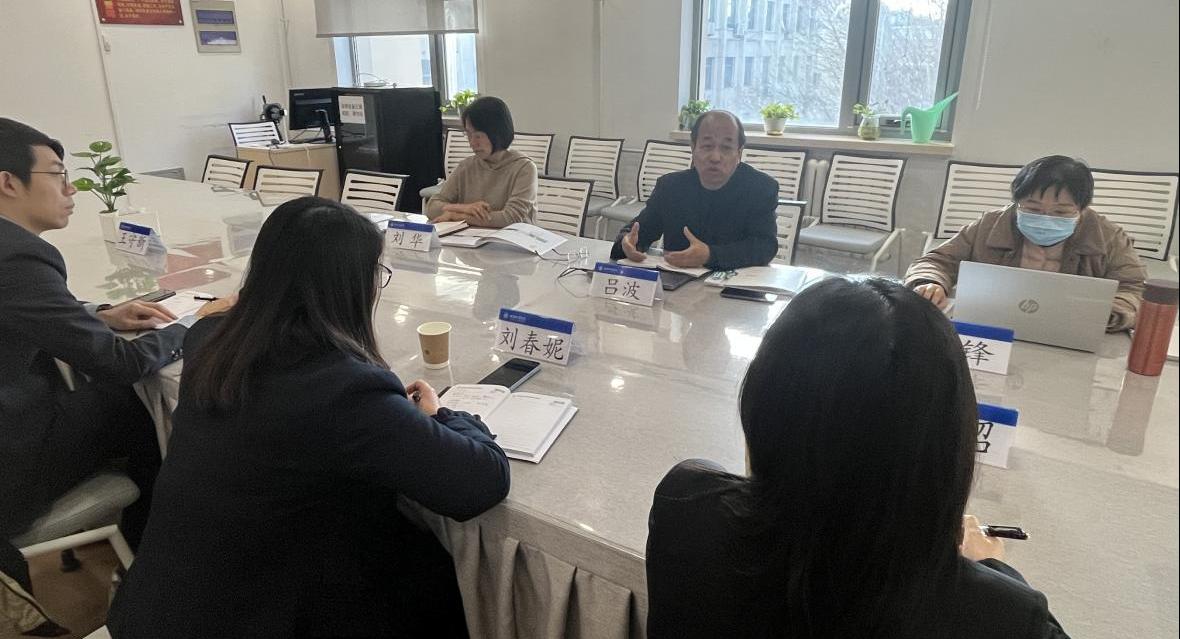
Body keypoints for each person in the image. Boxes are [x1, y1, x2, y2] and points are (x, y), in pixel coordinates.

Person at [107, 197, 511, 638]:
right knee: (435, 577)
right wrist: (442, 415)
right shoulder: (345, 390)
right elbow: (480, 482)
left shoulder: (210, 339)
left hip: (157, 610)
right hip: (263, 617)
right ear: (352, 285)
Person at [646, 278, 1069, 638]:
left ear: (764, 407)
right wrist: (988, 567)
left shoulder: (684, 505)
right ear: (949, 436)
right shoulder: (1007, 618)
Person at [0, 118, 223, 597]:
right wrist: (194, 323)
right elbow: (120, 364)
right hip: (9, 464)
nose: (71, 189)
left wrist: (99, 314)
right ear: (8, 183)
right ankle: (155, 560)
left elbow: (20, 314)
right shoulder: (17, 257)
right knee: (140, 401)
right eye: (57, 174)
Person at [906, 155, 1146, 331]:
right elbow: (936, 261)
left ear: (1082, 209)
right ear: (1016, 202)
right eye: (1033, 208)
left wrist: (1110, 313)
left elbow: (1134, 286)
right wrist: (931, 283)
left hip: (1070, 336)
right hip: (994, 327)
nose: (1046, 218)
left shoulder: (1108, 237)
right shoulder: (990, 225)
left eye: (1061, 212)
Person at [610, 110, 779, 270]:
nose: (715, 157)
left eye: (726, 148)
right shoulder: (670, 187)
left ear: (739, 152)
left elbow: (765, 246)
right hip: (676, 283)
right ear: (693, 148)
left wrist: (710, 255)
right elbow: (638, 231)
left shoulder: (761, 188)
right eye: (707, 146)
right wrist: (627, 243)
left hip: (735, 284)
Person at [425, 96, 537, 228]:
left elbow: (511, 218)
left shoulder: (524, 168)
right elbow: (432, 206)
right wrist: (464, 208)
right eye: (468, 134)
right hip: (471, 238)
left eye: (478, 136)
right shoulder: (466, 166)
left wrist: (456, 216)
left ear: (497, 133)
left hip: (514, 238)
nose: (472, 143)